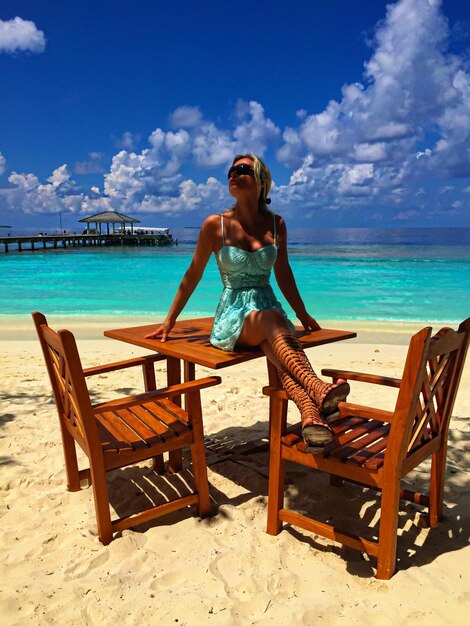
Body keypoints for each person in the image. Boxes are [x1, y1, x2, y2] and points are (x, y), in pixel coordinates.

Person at [145, 153, 349, 452]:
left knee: (275, 344)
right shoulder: (216, 225)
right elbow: (193, 274)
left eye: (243, 169)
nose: (234, 174)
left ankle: (309, 413)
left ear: (261, 182)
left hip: (269, 312)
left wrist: (302, 312)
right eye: (231, 170)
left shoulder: (277, 224)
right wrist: (169, 320)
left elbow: (283, 272)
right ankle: (317, 387)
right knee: (273, 323)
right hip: (233, 315)